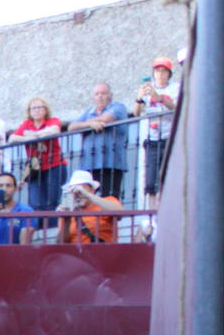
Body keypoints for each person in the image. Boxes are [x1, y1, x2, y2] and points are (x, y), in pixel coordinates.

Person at [68, 83, 131, 202]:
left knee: (109, 200)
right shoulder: (89, 112)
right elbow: (71, 127)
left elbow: (105, 119)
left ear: (110, 95)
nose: (100, 96)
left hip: (111, 163)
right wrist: (90, 124)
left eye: (103, 93)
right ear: (93, 97)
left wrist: (84, 125)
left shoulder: (118, 107)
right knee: (89, 201)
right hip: (89, 164)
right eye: (97, 94)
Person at [8, 95, 67, 219]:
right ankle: (39, 232)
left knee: (52, 201)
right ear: (29, 111)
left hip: (55, 165)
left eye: (40, 107)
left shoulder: (53, 120)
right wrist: (33, 136)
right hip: (35, 169)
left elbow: (54, 131)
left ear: (46, 109)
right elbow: (12, 138)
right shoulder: (26, 124)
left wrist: (31, 135)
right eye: (33, 108)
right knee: (35, 203)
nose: (36, 110)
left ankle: (52, 230)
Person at [134, 56, 180, 208]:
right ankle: (152, 215)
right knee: (150, 182)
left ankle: (168, 210)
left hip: (168, 138)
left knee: (169, 177)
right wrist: (139, 99)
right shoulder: (147, 89)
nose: (160, 74)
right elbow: (136, 114)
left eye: (163, 71)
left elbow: (175, 107)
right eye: (157, 71)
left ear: (169, 74)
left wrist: (157, 97)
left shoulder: (174, 88)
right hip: (152, 140)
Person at [57, 169, 123, 244]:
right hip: (77, 254)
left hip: (103, 252)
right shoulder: (68, 210)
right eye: (74, 191)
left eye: (82, 188)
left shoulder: (106, 201)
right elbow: (60, 243)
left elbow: (120, 213)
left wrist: (87, 194)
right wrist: (67, 220)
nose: (78, 194)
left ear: (92, 189)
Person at [0, 172, 37, 245]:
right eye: (0, 186)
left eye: (8, 186)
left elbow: (25, 244)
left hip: (15, 255)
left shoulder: (26, 211)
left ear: (15, 189)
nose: (4, 189)